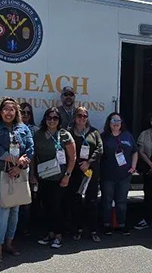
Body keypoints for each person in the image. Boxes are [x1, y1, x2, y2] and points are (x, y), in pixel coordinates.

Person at [0, 97, 34, 262]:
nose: (8, 113)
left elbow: (30, 148)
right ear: (0, 111)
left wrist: (20, 165)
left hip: (18, 173)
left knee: (15, 211)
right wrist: (14, 160)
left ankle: (9, 243)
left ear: (16, 112)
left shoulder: (24, 128)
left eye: (12, 110)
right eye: (5, 109)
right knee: (4, 209)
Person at [33, 107, 76, 248]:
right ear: (45, 119)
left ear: (59, 120)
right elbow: (33, 156)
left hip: (60, 178)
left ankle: (58, 235)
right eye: (49, 117)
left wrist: (67, 175)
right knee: (46, 206)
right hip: (43, 176)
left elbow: (72, 157)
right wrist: (33, 175)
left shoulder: (64, 135)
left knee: (56, 207)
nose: (52, 120)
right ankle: (50, 233)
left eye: (55, 118)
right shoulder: (38, 134)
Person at [64, 106, 103, 242]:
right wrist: (76, 164)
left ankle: (93, 230)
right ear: (75, 117)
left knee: (92, 201)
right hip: (75, 171)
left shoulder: (94, 132)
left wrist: (89, 162)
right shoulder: (69, 132)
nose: (82, 118)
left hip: (90, 172)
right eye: (79, 116)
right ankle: (78, 229)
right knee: (76, 201)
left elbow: (99, 149)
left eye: (84, 116)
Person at [100, 112, 138, 235]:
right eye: (113, 121)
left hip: (124, 175)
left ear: (121, 123)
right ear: (109, 123)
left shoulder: (127, 135)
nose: (116, 123)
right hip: (107, 175)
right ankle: (106, 225)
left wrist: (133, 166)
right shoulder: (103, 136)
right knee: (107, 201)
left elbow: (134, 151)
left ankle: (121, 225)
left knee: (121, 201)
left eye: (118, 121)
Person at [17, 101, 38, 236]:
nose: (25, 115)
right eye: (22, 112)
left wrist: (33, 174)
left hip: (29, 169)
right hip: (14, 169)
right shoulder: (13, 128)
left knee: (27, 201)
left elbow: (34, 155)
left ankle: (25, 228)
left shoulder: (35, 130)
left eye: (28, 113)